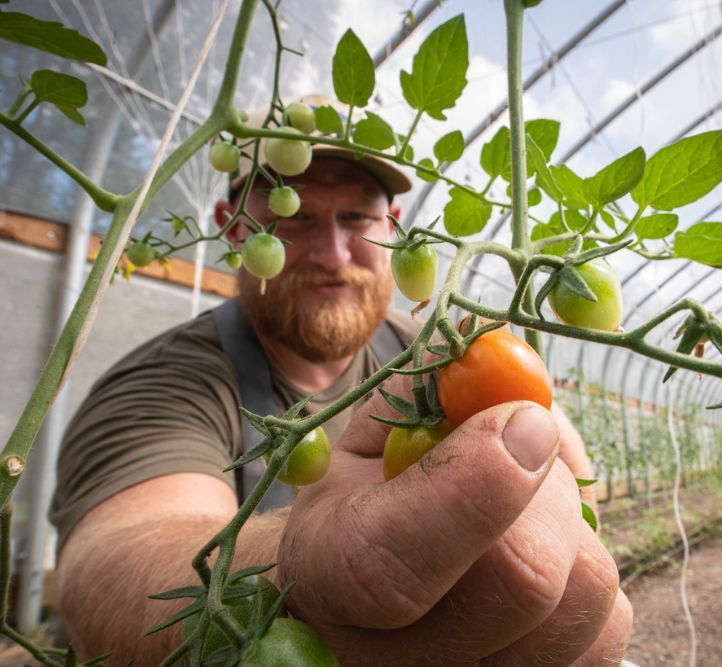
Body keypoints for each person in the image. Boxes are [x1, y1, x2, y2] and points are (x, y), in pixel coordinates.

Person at [49, 102, 632, 664]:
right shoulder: (170, 382)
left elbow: (551, 434)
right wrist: (303, 579)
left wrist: (563, 540)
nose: (332, 253)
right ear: (233, 231)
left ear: (393, 228)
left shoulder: (435, 350)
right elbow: (113, 561)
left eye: (355, 218)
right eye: (294, 220)